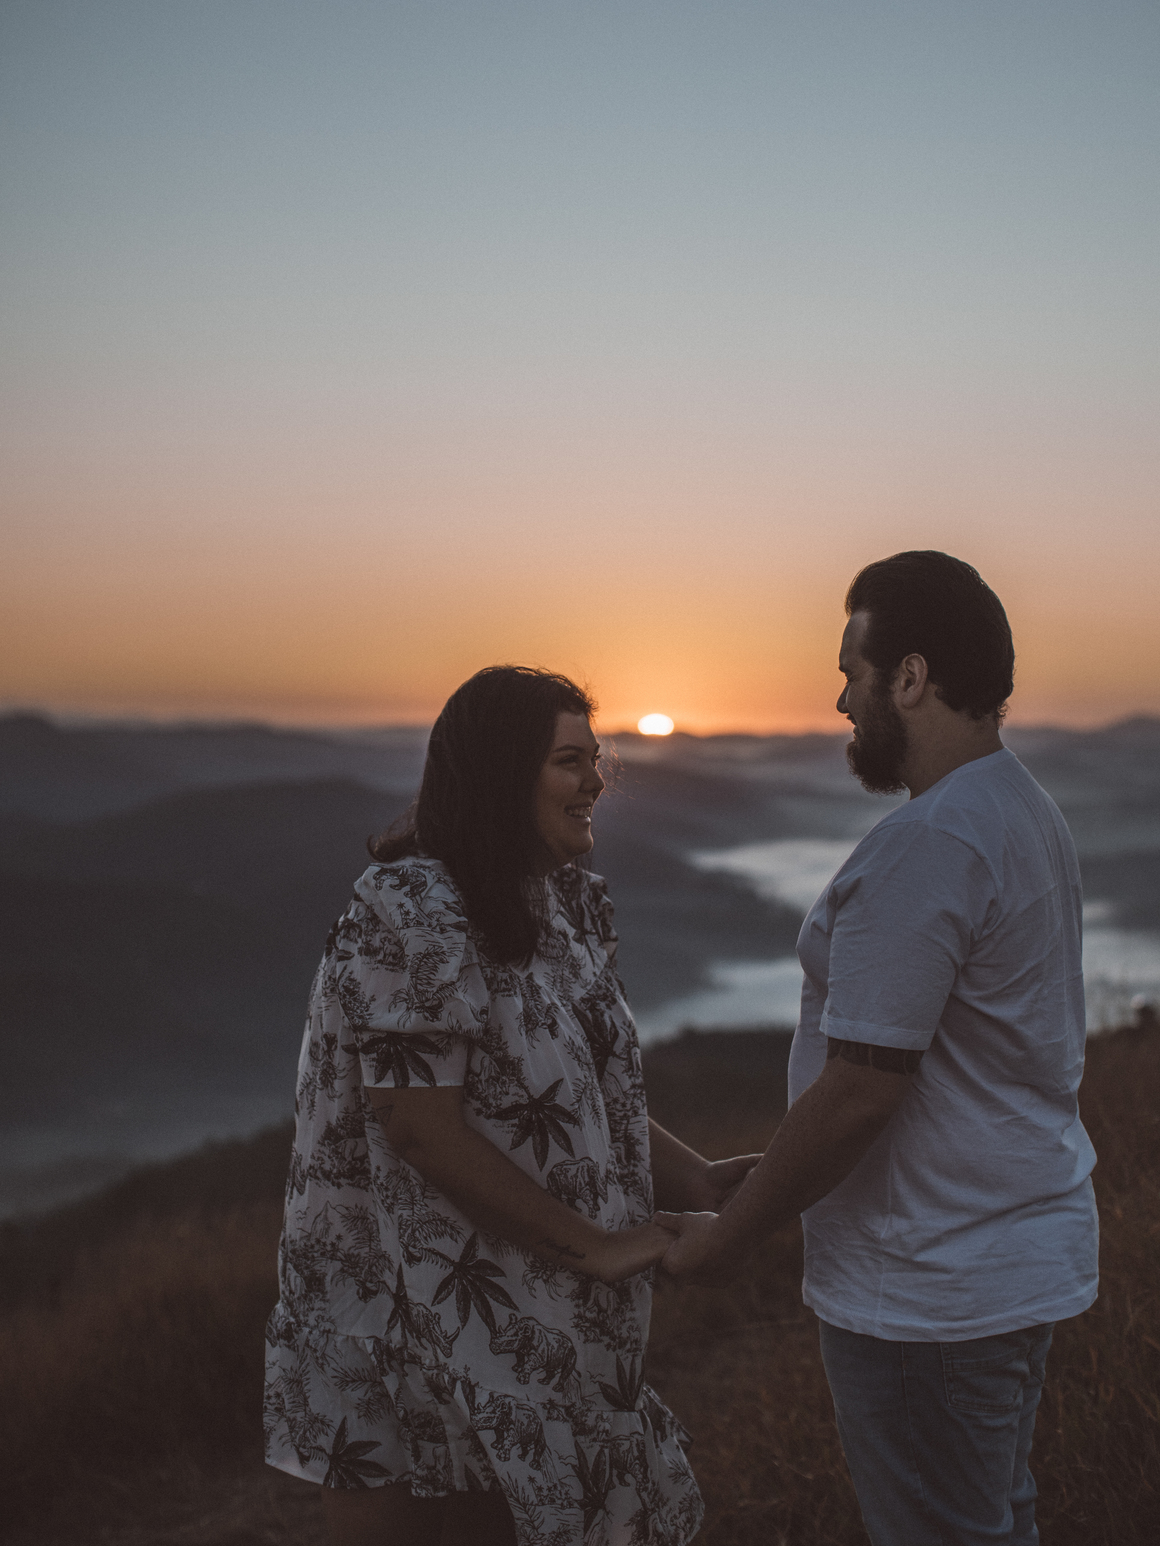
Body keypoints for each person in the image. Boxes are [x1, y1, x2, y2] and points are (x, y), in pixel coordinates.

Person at [655, 551, 1099, 1546]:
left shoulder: (932, 844)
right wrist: (775, 1169)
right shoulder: (1022, 811)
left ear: (912, 675)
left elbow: (863, 1092)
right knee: (989, 1524)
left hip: (929, 1288)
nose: (841, 698)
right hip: (1000, 1259)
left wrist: (728, 1242)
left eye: (853, 669)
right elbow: (957, 1068)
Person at [265, 665, 751, 1546]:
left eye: (595, 759)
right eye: (571, 761)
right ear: (500, 773)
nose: (596, 781)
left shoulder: (565, 904)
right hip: (406, 1309)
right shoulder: (412, 908)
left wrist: (701, 1176)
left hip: (528, 1300)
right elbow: (418, 1127)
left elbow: (574, 1099)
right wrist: (600, 1247)